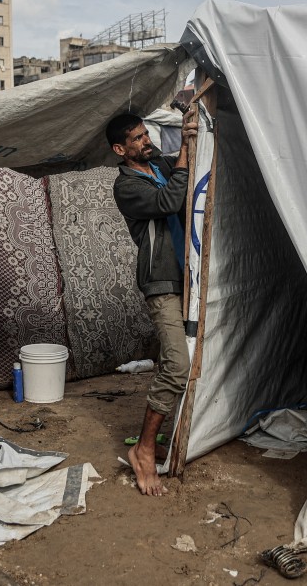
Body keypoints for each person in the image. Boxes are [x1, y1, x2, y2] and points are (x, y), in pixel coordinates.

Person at [107, 108, 198, 496]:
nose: (148, 141)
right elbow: (168, 200)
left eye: (147, 134)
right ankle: (143, 451)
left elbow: (190, 180)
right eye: (138, 139)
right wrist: (184, 154)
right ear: (119, 149)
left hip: (187, 276)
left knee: (179, 357)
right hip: (160, 282)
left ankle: (169, 436)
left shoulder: (158, 163)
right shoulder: (126, 185)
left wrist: (193, 133)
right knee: (178, 364)